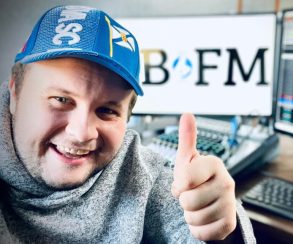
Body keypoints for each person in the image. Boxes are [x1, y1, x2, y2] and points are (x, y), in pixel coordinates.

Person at [0, 5, 255, 243]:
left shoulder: (142, 176)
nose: (81, 133)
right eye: (60, 99)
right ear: (15, 91)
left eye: (107, 110)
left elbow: (192, 223)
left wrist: (219, 226)